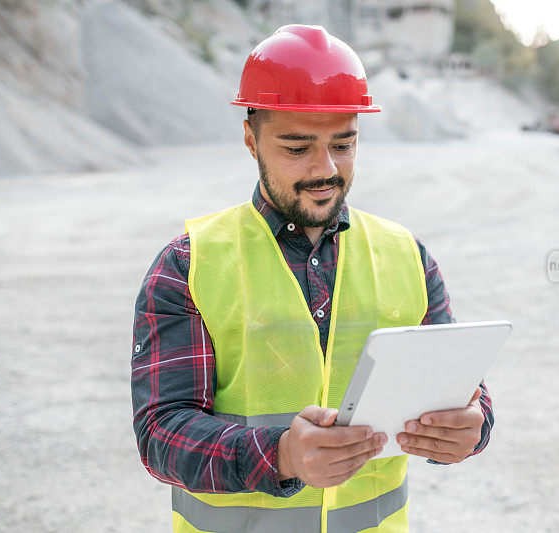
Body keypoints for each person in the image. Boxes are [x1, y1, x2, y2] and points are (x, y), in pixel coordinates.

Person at [131, 24, 494, 532]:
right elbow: (161, 432)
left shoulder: (407, 256)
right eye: (298, 148)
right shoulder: (190, 264)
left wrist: (471, 429)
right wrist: (280, 455)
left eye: (343, 145)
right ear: (250, 138)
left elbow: (461, 391)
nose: (326, 169)